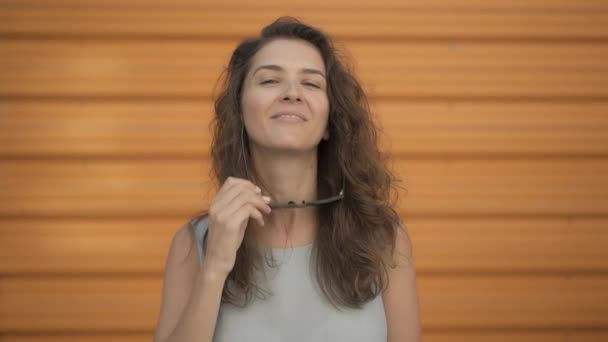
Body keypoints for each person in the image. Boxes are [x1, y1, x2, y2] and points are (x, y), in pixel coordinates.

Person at [154, 16, 421, 342]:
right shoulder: (193, 243)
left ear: (328, 123)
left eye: (311, 83)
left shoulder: (383, 238)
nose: (292, 93)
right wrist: (215, 267)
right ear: (240, 113)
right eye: (269, 81)